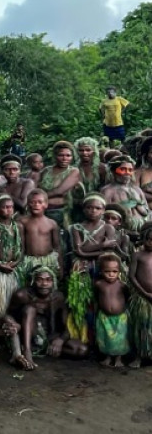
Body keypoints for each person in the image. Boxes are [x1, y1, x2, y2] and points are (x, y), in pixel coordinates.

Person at [8, 266, 87, 370]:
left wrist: (60, 340)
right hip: (29, 338)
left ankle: (48, 350)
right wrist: (14, 326)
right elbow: (8, 315)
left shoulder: (58, 297)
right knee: (30, 309)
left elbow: (66, 327)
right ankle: (27, 352)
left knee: (82, 350)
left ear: (53, 282)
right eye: (39, 279)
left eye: (48, 280)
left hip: (49, 337)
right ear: (33, 281)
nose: (44, 284)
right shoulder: (22, 295)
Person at [0, 195, 24, 313]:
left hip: (14, 268)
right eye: (5, 207)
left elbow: (23, 248)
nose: (9, 210)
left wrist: (16, 262)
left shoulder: (18, 227)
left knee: (13, 299)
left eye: (11, 207)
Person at [94, 254, 130, 368]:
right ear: (101, 271)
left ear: (119, 271)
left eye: (114, 271)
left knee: (120, 338)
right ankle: (108, 358)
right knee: (105, 337)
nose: (111, 274)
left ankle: (118, 359)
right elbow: (96, 297)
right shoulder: (99, 284)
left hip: (120, 317)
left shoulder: (121, 285)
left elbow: (127, 296)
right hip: (104, 317)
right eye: (107, 271)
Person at [69, 194, 119, 275]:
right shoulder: (76, 228)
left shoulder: (108, 228)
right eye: (89, 207)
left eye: (98, 208)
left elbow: (109, 253)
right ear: (84, 209)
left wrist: (84, 253)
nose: (93, 211)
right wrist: (102, 245)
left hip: (102, 261)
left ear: (103, 210)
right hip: (82, 263)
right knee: (79, 269)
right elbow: (77, 250)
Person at [21, 190, 62, 279]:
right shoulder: (22, 222)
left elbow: (57, 246)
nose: (36, 204)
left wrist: (60, 266)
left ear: (46, 204)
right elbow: (20, 245)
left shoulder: (51, 223)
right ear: (28, 204)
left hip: (47, 260)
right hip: (29, 261)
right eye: (33, 202)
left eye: (40, 202)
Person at [38, 141, 80, 229]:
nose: (65, 158)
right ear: (55, 156)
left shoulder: (73, 171)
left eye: (68, 155)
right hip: (41, 211)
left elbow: (59, 191)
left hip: (60, 212)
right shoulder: (46, 171)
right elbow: (37, 188)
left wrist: (39, 198)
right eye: (61, 155)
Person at [101, 155, 149, 231]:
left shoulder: (137, 189)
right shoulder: (108, 190)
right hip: (122, 230)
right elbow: (103, 214)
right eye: (123, 169)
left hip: (142, 228)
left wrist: (139, 206)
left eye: (130, 170)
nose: (127, 173)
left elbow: (147, 211)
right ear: (113, 171)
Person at [129, 225, 152, 367]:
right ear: (143, 239)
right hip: (142, 298)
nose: (151, 242)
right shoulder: (137, 255)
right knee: (141, 326)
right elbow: (131, 276)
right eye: (148, 239)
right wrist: (144, 293)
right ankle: (138, 356)